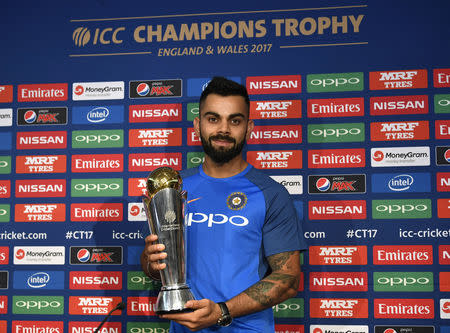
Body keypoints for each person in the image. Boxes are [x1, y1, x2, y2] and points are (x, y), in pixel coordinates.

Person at [141, 76, 307, 332]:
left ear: (249, 127)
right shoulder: (173, 188)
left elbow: (287, 279)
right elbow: (157, 267)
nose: (224, 129)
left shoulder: (270, 193)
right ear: (198, 125)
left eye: (235, 120)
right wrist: (152, 263)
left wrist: (222, 311)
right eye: (213, 118)